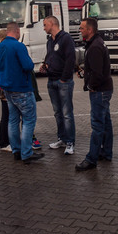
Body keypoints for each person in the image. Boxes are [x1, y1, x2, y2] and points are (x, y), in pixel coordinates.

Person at [0, 22, 44, 164]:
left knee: (12, 120)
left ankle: (16, 150)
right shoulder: (19, 46)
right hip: (22, 88)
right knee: (28, 120)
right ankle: (26, 153)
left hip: (7, 89)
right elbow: (28, 66)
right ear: (17, 32)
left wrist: (0, 77)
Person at [75, 17, 114, 171]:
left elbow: (98, 73)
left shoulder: (95, 46)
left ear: (89, 30)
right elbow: (97, 69)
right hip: (104, 89)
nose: (80, 30)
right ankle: (106, 152)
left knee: (97, 125)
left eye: (82, 28)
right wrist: (85, 73)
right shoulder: (96, 43)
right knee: (106, 122)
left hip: (100, 91)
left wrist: (91, 85)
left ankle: (91, 159)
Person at [41, 15, 76, 155]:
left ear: (51, 24)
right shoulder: (50, 40)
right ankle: (62, 138)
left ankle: (70, 142)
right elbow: (51, 56)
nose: (44, 28)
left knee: (67, 113)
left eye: (44, 25)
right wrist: (45, 65)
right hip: (51, 80)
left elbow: (70, 59)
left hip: (63, 82)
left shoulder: (66, 38)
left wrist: (64, 78)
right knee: (57, 113)